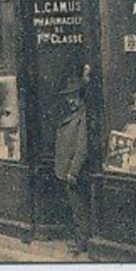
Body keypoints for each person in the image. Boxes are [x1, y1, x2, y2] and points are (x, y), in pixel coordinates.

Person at [54, 78, 91, 257]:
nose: (70, 101)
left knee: (79, 209)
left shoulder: (83, 118)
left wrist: (73, 171)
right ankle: (79, 240)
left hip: (73, 172)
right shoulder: (74, 115)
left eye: (73, 97)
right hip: (65, 169)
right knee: (75, 207)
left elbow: (82, 148)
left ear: (81, 97)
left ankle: (82, 243)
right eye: (68, 97)